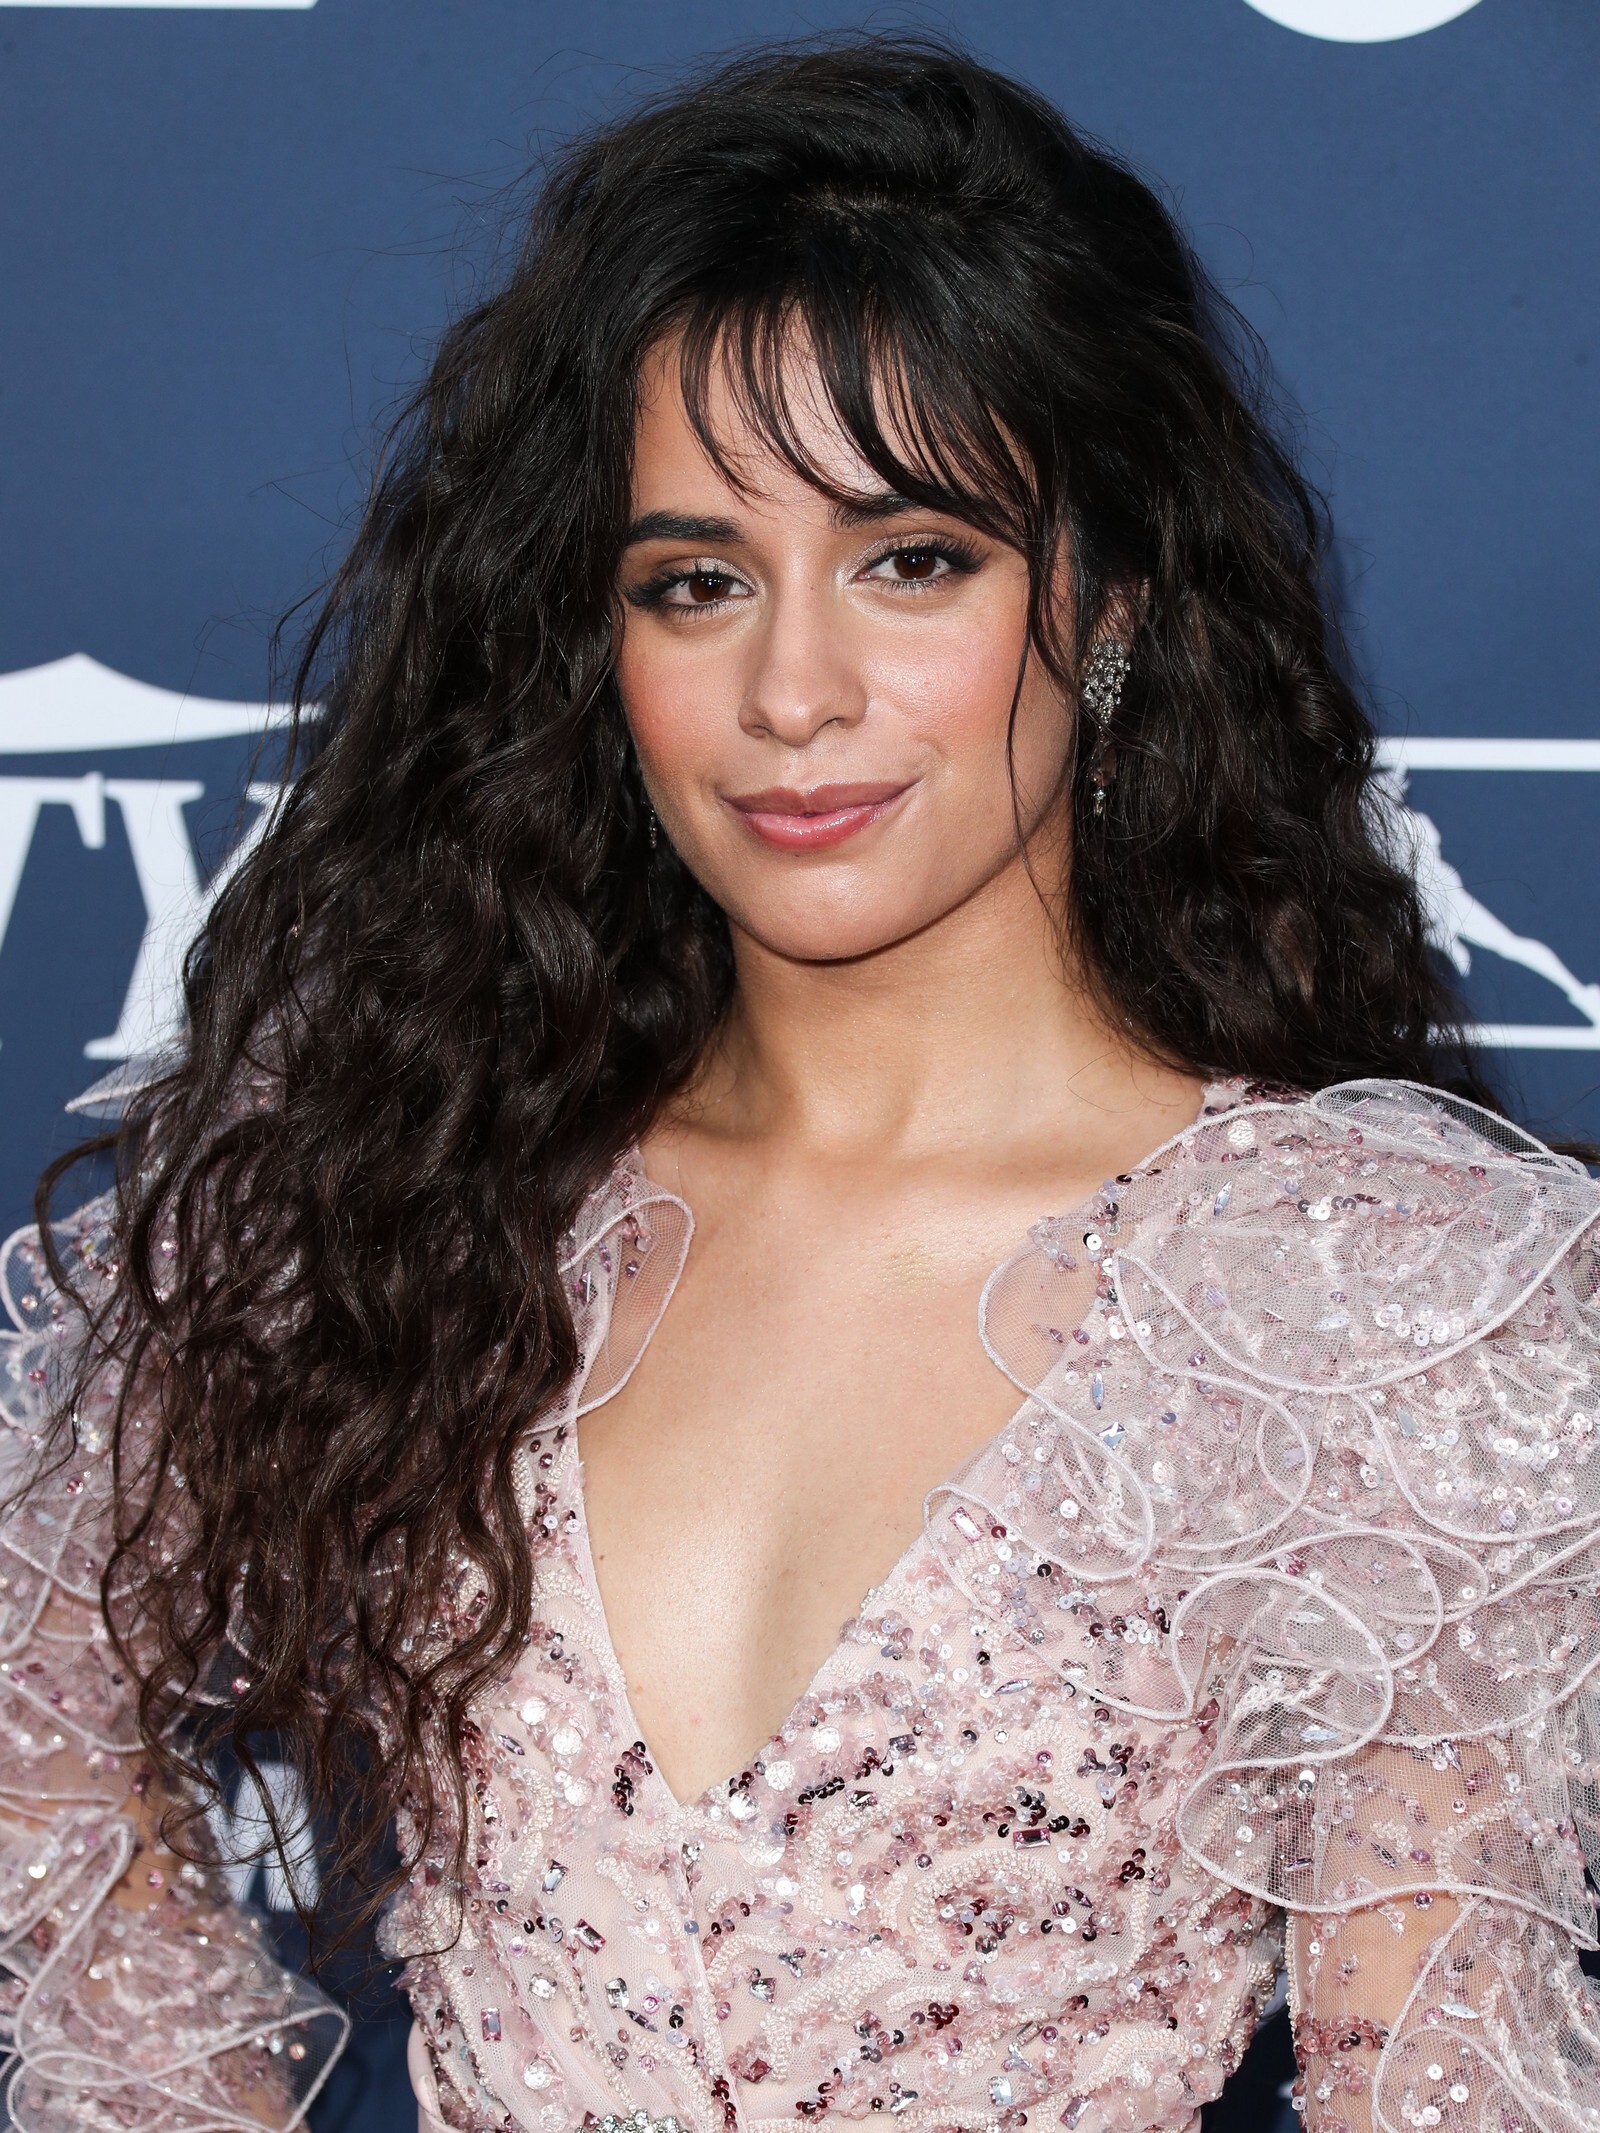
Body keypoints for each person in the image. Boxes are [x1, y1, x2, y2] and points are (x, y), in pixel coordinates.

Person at [2, 34, 1597, 2133]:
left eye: (910, 556)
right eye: (696, 581)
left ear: (1108, 606)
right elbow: (35, 1691)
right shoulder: (418, 1189)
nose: (790, 690)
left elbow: (1447, 2079)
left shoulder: (1381, 1298)